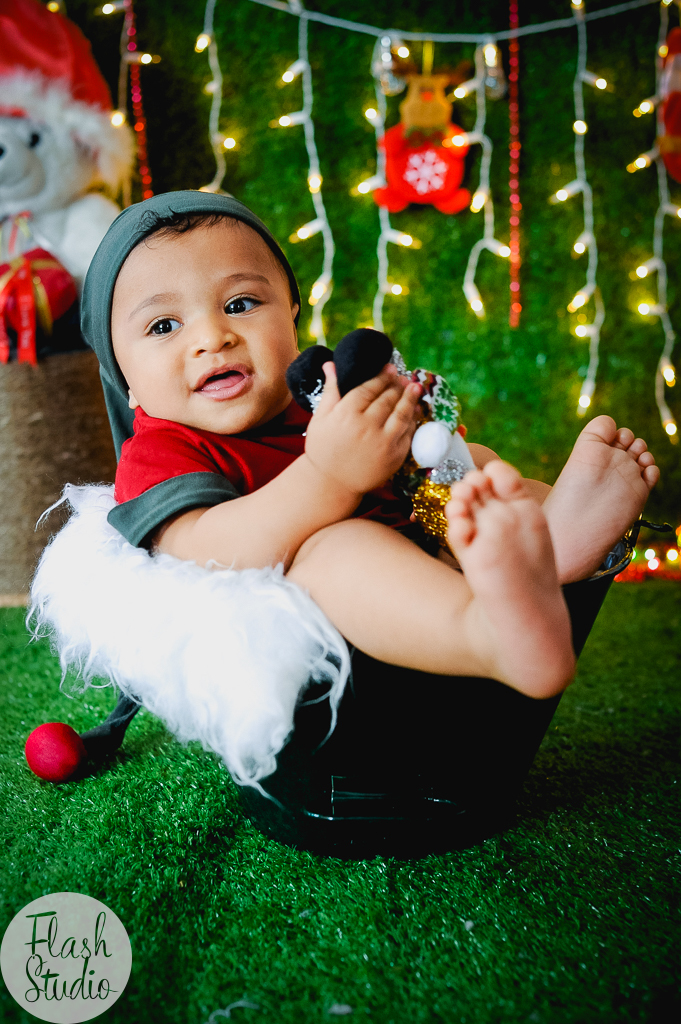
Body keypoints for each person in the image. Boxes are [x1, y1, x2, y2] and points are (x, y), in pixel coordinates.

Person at [83, 191, 658, 706]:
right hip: (345, 610)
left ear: (293, 314)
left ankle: (546, 550)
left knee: (472, 467)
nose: (212, 337)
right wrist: (330, 475)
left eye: (240, 305)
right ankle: (493, 638)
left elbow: (414, 457)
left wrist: (408, 425)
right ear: (125, 378)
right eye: (163, 326)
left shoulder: (317, 394)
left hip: (422, 539)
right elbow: (204, 549)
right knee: (336, 548)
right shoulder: (160, 451)